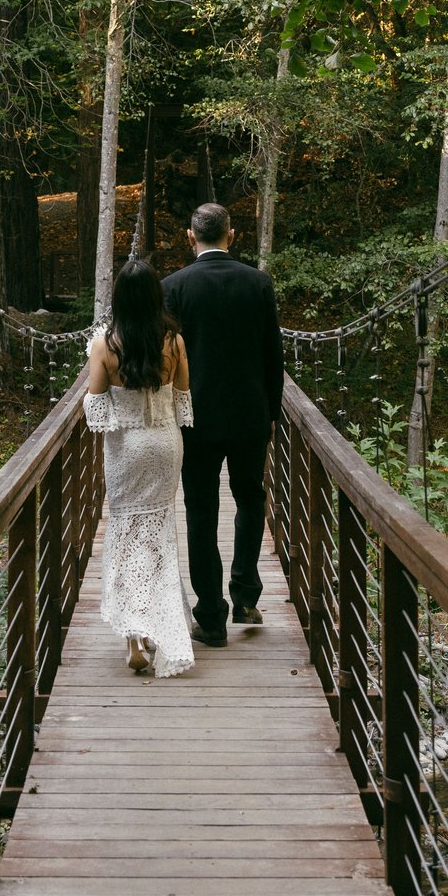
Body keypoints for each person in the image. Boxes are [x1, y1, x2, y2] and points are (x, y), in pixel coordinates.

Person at [161, 202, 284, 648]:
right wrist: (272, 412)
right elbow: (274, 356)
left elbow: (166, 358)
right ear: (231, 236)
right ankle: (246, 596)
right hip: (250, 415)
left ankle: (210, 617)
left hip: (195, 419)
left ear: (190, 237)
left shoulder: (172, 287)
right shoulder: (259, 283)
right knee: (251, 500)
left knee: (200, 511)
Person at [80, 256, 196, 678]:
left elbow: (96, 404)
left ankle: (134, 637)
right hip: (166, 444)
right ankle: (153, 630)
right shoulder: (174, 341)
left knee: (127, 534)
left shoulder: (105, 344)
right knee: (159, 535)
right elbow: (183, 394)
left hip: (127, 449)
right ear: (155, 296)